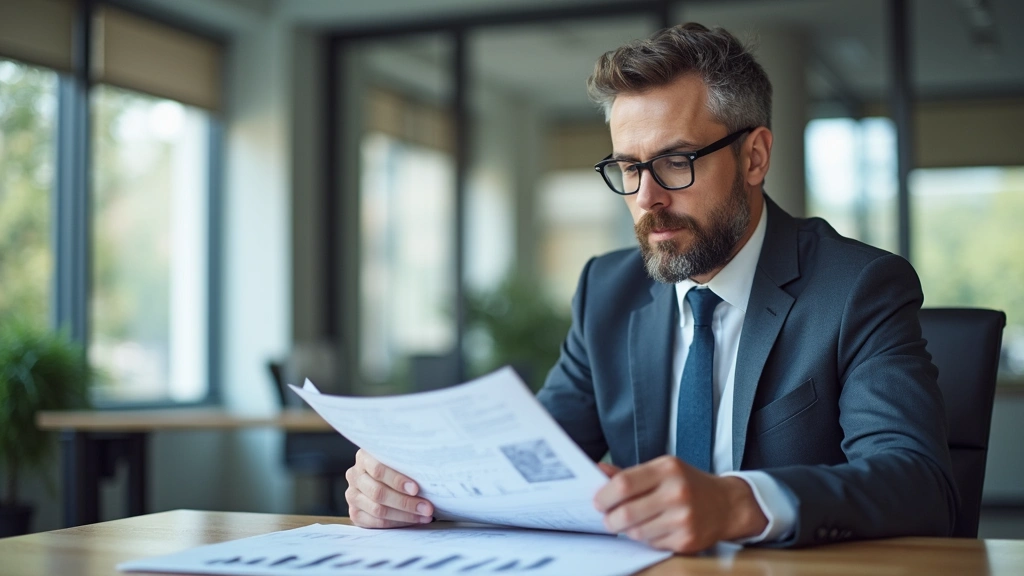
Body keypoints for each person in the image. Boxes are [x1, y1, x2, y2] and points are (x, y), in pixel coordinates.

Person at [343, 23, 957, 553]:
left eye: (675, 162)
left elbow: (918, 482)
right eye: (628, 168)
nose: (647, 199)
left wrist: (738, 503)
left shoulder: (856, 288)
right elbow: (531, 458)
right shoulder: (607, 290)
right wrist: (412, 486)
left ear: (754, 157)